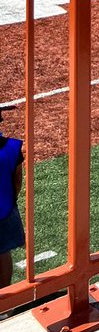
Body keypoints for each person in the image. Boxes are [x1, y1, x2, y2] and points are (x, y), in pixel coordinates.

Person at [0, 107, 24, 290]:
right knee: (3, 253)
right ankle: (5, 301)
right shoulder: (13, 147)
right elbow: (17, 182)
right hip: (5, 209)